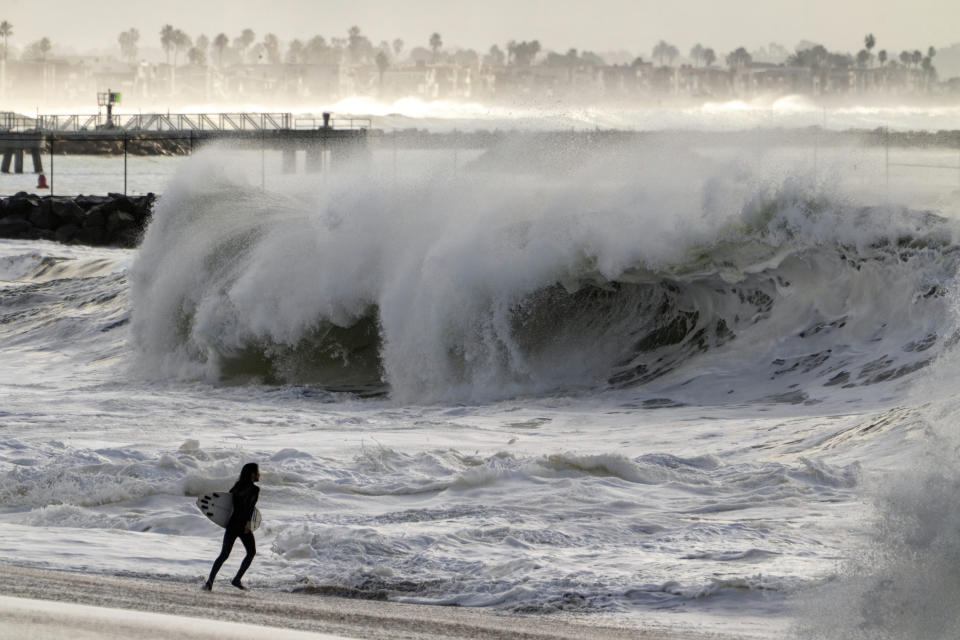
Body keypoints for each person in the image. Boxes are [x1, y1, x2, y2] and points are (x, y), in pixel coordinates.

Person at [203, 462, 260, 591]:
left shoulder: (237, 486)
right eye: (257, 472)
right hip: (243, 526)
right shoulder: (255, 489)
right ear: (252, 474)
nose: (259, 474)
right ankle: (236, 579)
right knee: (251, 552)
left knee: (224, 554)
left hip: (232, 524)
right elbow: (249, 507)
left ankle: (209, 582)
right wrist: (248, 523)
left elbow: (227, 502)